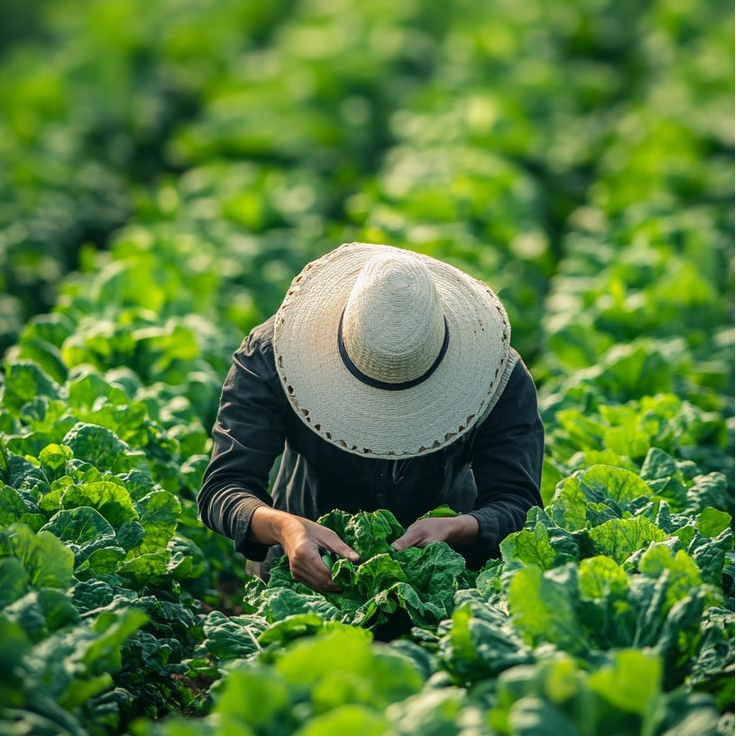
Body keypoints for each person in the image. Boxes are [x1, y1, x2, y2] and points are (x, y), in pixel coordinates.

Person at [197, 242, 544, 592]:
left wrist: (460, 527)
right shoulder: (271, 357)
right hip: (303, 577)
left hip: (443, 579)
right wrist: (285, 529)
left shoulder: (496, 376)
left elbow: (518, 504)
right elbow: (223, 490)